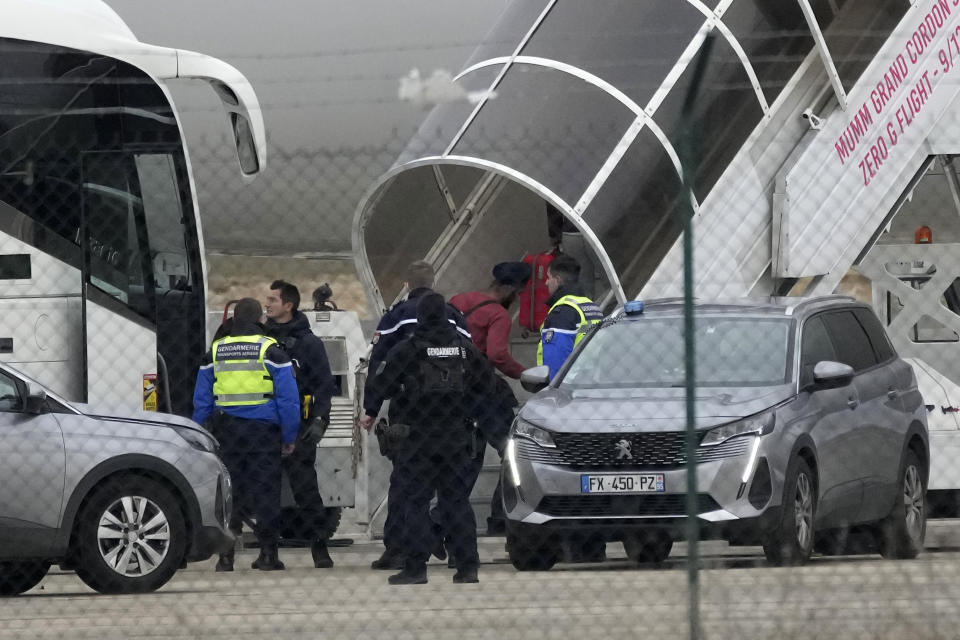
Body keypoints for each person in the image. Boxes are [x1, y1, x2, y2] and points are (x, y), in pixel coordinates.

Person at [369, 292, 497, 585]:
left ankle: (415, 569)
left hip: (417, 439)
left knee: (415, 503)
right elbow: (488, 385)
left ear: (421, 318)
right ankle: (467, 567)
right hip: (456, 437)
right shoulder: (465, 350)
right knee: (456, 502)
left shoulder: (407, 349)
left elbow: (382, 386)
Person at [359, 260, 469, 570]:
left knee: (406, 482)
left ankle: (398, 548)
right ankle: (459, 550)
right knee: (453, 486)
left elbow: (379, 365)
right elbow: (472, 359)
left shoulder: (396, 317)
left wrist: (370, 409)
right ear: (433, 283)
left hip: (410, 411)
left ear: (407, 285)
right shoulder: (454, 316)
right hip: (453, 412)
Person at [192, 298, 300, 571]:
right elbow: (288, 400)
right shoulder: (271, 351)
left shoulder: (215, 351)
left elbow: (202, 399)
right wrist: (289, 436)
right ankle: (267, 554)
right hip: (263, 433)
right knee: (266, 492)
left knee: (230, 493)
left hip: (227, 431)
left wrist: (199, 431)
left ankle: (225, 557)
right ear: (259, 320)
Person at [449, 261, 530, 536]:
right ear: (511, 290)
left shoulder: (459, 300)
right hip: (484, 391)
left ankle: (444, 519)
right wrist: (523, 373)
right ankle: (500, 516)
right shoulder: (498, 315)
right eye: (518, 293)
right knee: (514, 450)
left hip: (454, 393)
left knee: (469, 456)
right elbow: (496, 354)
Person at [264, 279, 337, 569]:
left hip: (301, 427)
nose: (266, 304)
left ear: (288, 306)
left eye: (272, 300)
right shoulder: (261, 340)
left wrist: (321, 419)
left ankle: (320, 545)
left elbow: (324, 385)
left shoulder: (309, 343)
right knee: (264, 491)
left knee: (306, 490)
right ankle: (268, 553)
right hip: (266, 426)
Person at [538, 254, 604, 380]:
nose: (546, 282)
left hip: (567, 389)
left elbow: (556, 362)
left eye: (548, 277)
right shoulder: (591, 306)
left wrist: (552, 391)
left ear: (558, 279)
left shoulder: (562, 312)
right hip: (591, 382)